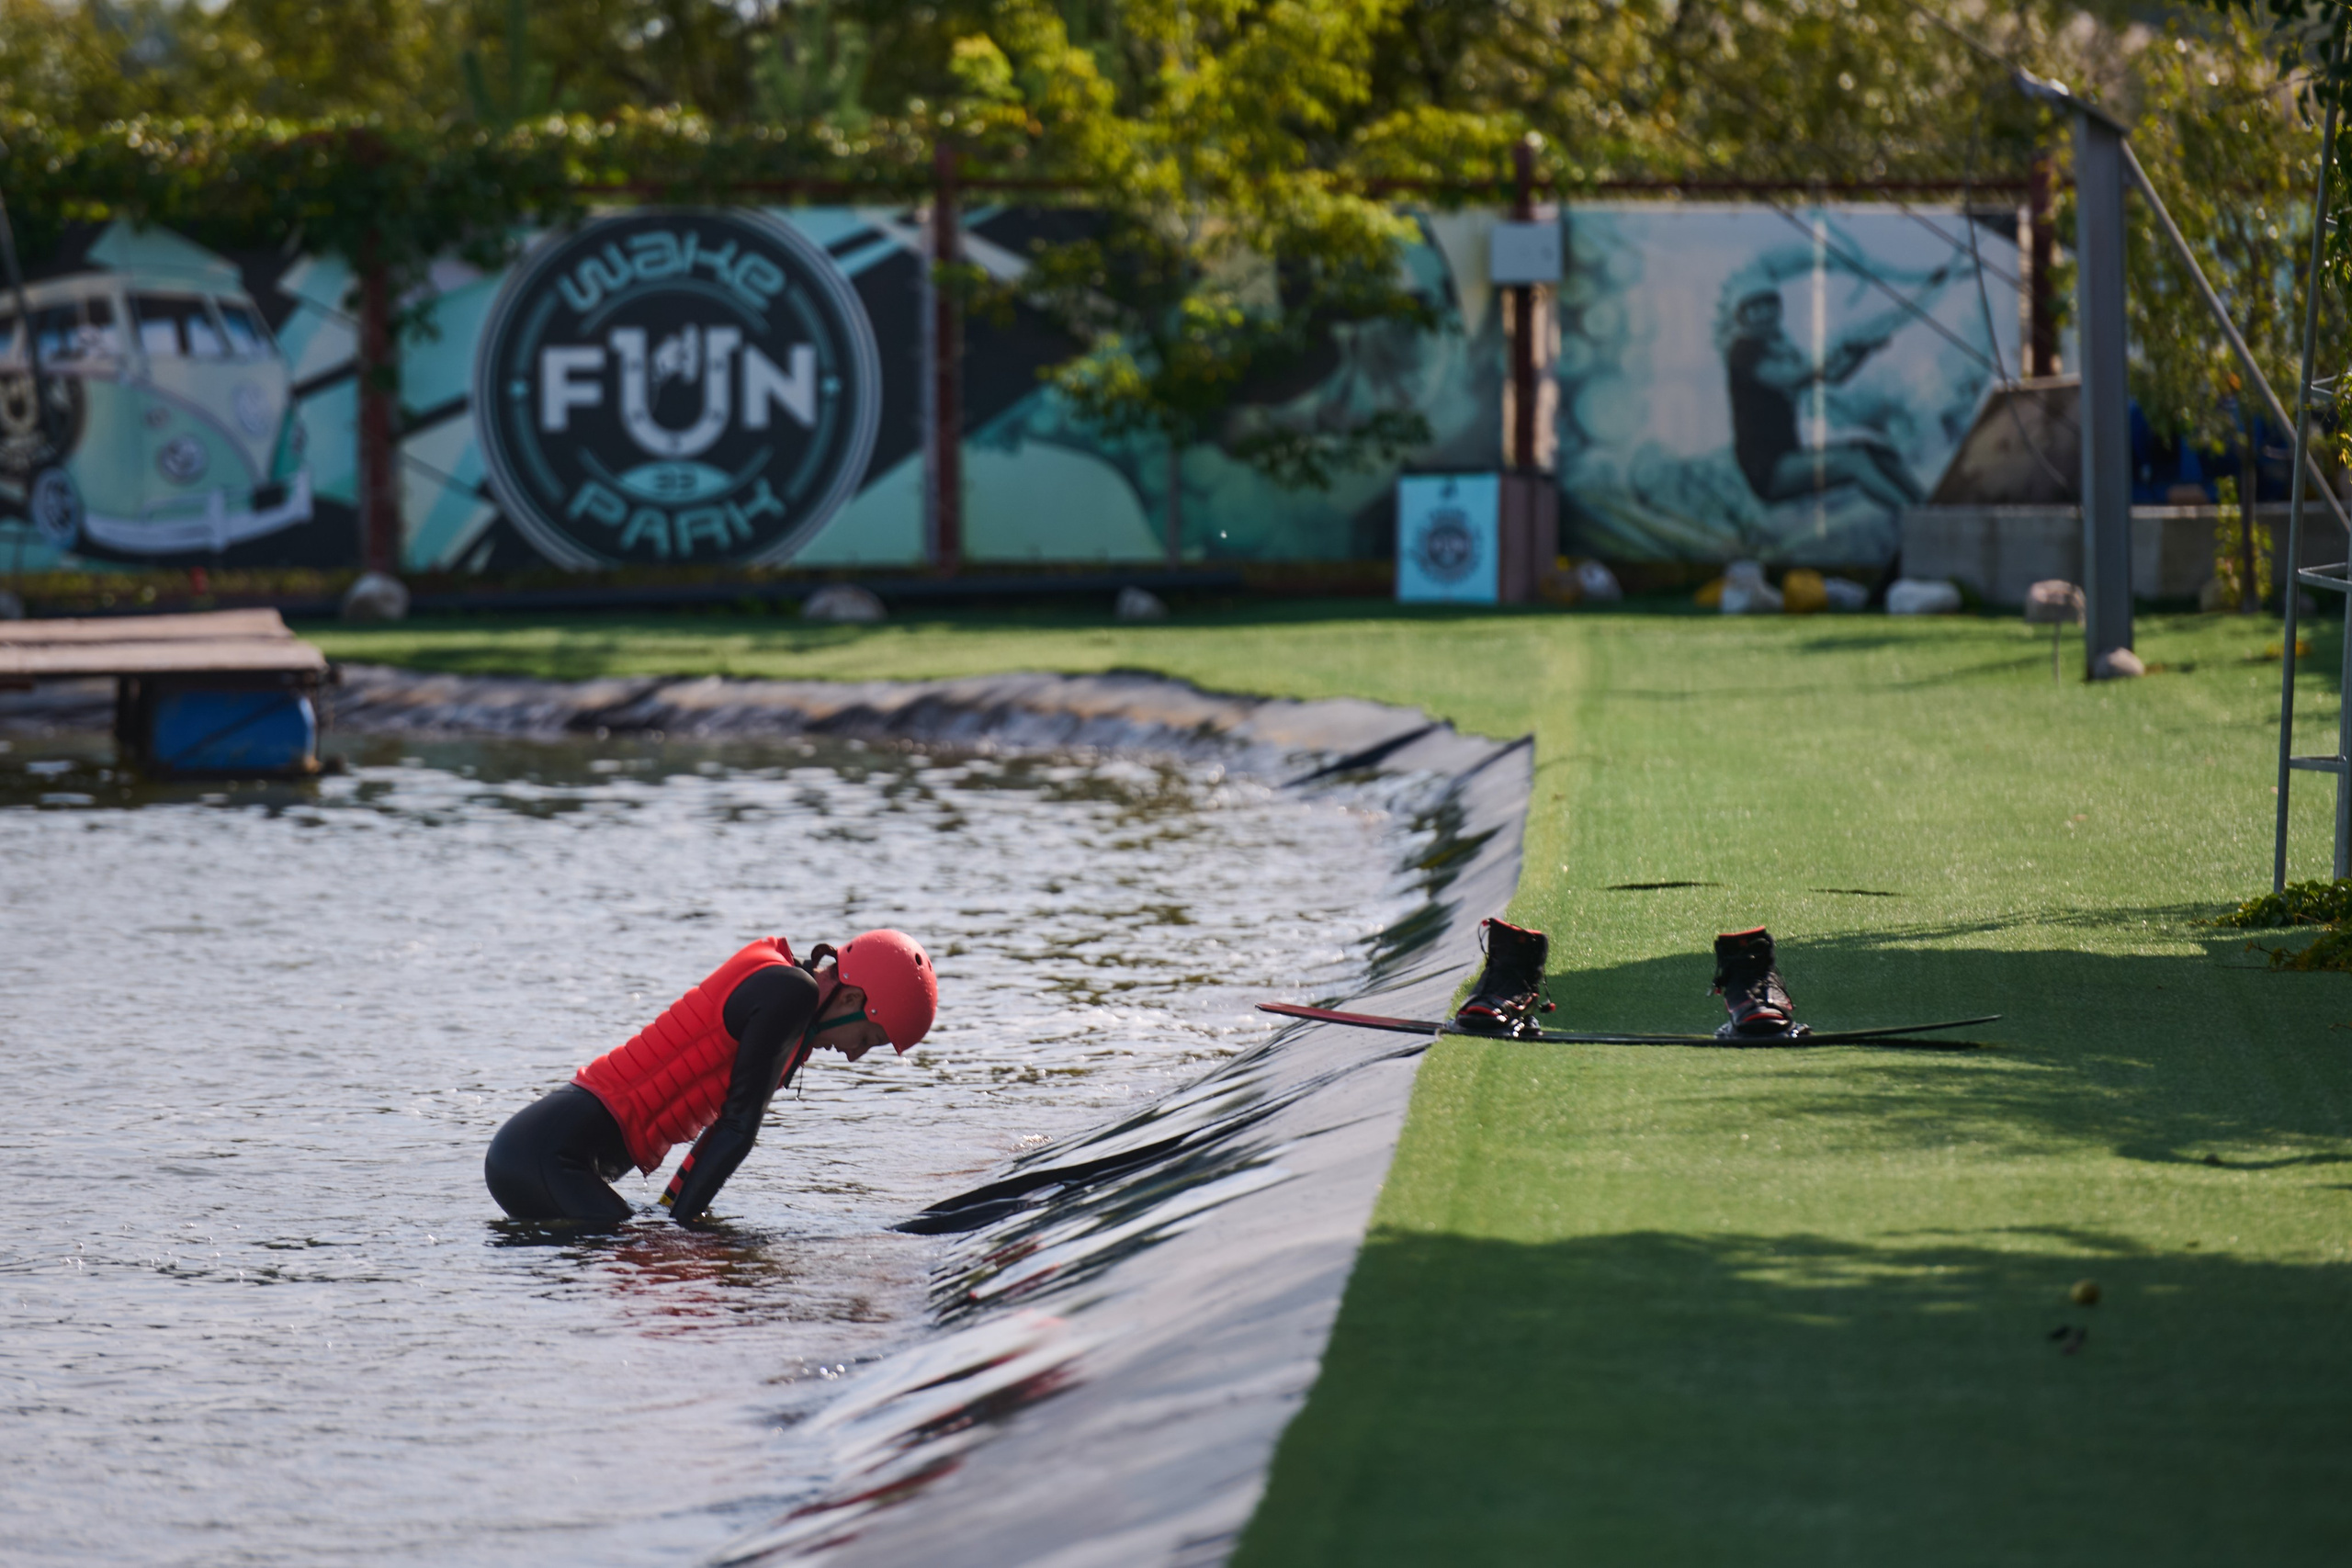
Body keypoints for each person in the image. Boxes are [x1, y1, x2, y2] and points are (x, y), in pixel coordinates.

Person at [484, 930, 937, 1224]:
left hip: (547, 1153)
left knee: (646, 1245)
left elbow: (720, 1132)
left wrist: (670, 1214)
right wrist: (677, 1231)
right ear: (851, 998)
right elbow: (739, 1129)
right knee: (641, 1250)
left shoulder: (794, 1017)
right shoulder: (790, 992)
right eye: (869, 1037)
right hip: (547, 1155)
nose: (856, 1055)